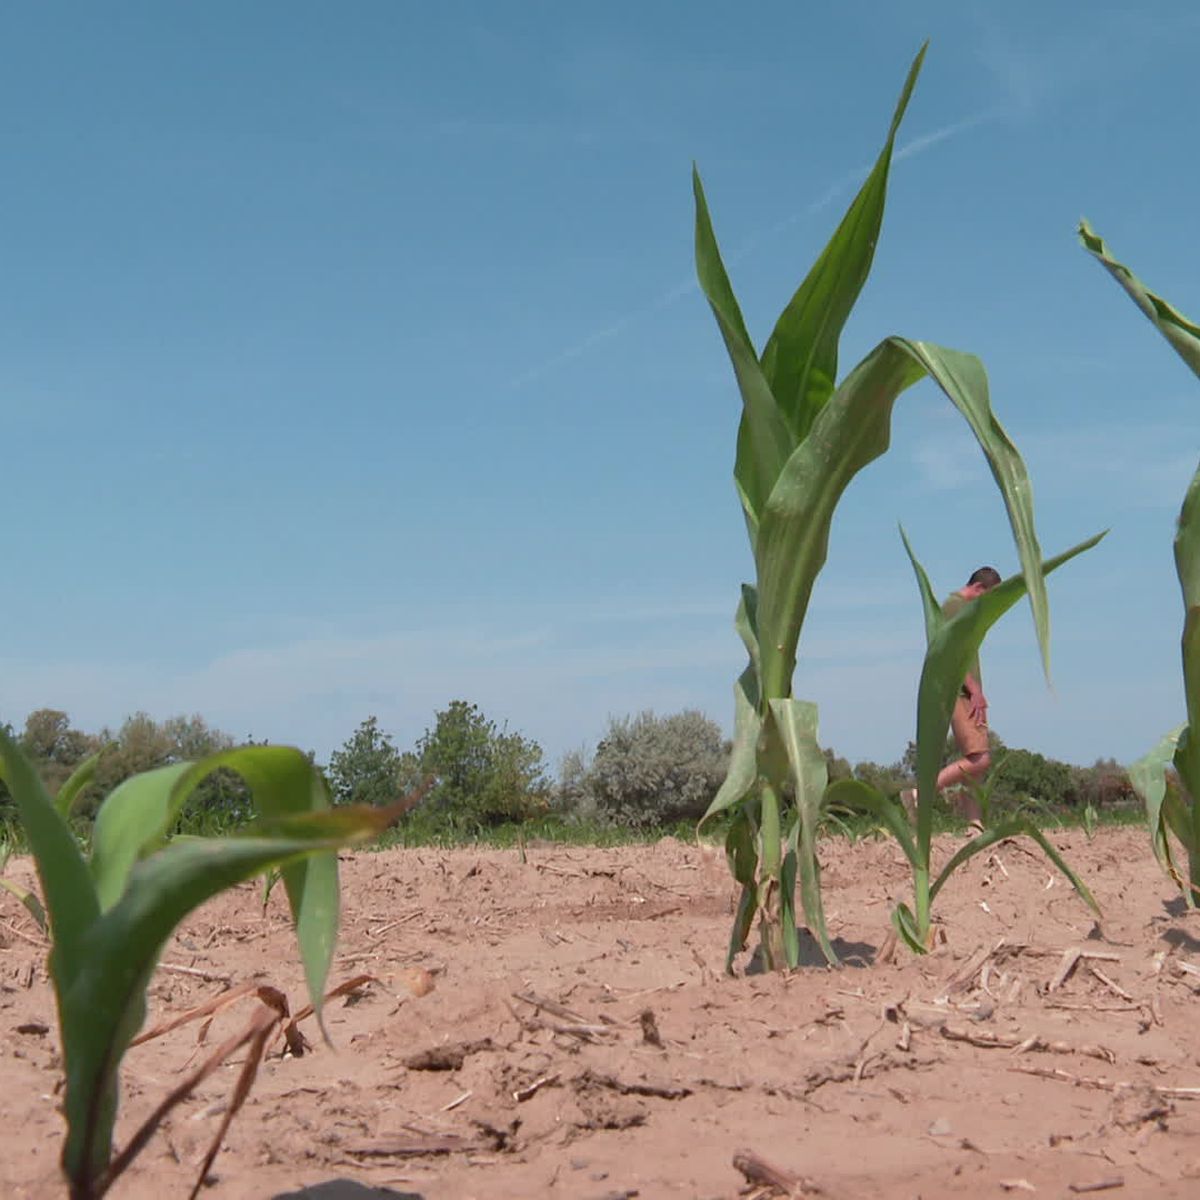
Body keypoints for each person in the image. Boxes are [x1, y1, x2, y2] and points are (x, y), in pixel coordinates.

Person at [902, 566, 1002, 831]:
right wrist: (974, 690)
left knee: (975, 762)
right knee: (980, 758)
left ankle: (974, 823)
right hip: (961, 691)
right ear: (979, 589)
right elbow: (951, 654)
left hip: (964, 690)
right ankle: (919, 795)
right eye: (990, 597)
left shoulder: (957, 607)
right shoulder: (956, 607)